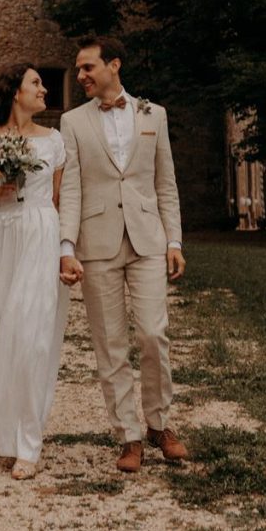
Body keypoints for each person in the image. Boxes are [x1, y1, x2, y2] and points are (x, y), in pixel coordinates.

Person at [58, 36, 188, 473]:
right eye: (78, 70)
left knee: (153, 334)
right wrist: (66, 247)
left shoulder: (155, 115)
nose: (80, 77)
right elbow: (71, 188)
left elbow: (165, 183)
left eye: (88, 68)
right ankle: (128, 436)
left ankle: (160, 424)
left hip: (149, 239)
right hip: (96, 244)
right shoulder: (72, 122)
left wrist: (174, 241)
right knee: (110, 343)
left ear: (114, 65)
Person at [0, 63, 80, 480]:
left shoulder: (54, 141)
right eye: (35, 83)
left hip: (38, 238)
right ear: (14, 93)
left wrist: (68, 251)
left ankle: (28, 443)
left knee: (29, 339)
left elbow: (62, 201)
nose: (44, 88)